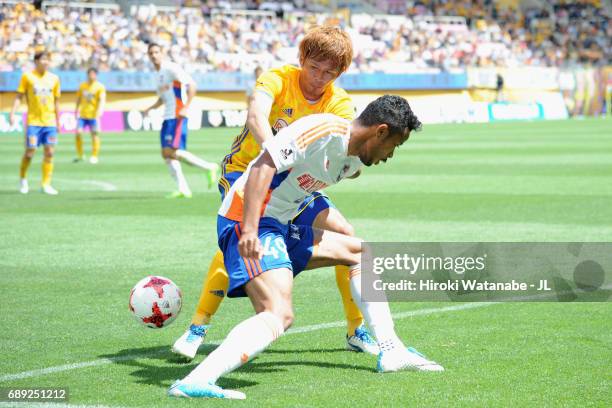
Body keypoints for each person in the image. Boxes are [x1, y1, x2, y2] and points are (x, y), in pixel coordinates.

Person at [168, 95, 443, 400]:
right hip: (250, 220)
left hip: (279, 225)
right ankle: (196, 380)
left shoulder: (353, 160)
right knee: (279, 313)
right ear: (380, 131)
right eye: (394, 145)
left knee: (359, 251)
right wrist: (247, 229)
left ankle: (392, 351)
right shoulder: (320, 131)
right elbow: (262, 167)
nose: (390, 155)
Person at [172, 25, 378, 360]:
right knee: (239, 240)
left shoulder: (339, 102)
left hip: (295, 180)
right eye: (314, 68)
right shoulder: (278, 78)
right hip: (246, 170)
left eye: (329, 72)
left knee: (346, 234)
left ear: (340, 73)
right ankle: (198, 326)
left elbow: (342, 151)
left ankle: (356, 330)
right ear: (302, 59)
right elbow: (256, 115)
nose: (319, 78)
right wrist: (276, 155)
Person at [143, 43, 219, 198]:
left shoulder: (171, 68)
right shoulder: (157, 76)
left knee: (173, 151)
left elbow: (192, 85)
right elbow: (162, 98)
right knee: (166, 154)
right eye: (151, 53)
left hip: (177, 115)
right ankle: (183, 189)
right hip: (167, 116)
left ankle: (209, 167)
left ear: (162, 53)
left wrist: (186, 106)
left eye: (156, 52)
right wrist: (150, 108)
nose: (154, 55)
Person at [10, 51, 61, 195]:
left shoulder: (54, 78)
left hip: (50, 122)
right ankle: (23, 179)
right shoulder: (28, 77)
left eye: (48, 60)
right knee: (30, 153)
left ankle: (46, 184)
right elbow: (19, 96)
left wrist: (58, 120)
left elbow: (57, 100)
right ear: (37, 61)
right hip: (33, 122)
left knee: (50, 152)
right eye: (44, 59)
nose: (46, 62)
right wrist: (13, 113)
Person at [74, 68, 106, 164]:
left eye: (93, 74)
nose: (91, 75)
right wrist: (76, 110)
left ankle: (94, 156)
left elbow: (102, 100)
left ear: (96, 75)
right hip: (83, 115)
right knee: (78, 133)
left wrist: (100, 111)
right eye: (89, 74)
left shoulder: (100, 87)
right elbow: (79, 99)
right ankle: (80, 155)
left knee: (94, 134)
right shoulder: (82, 86)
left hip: (93, 115)